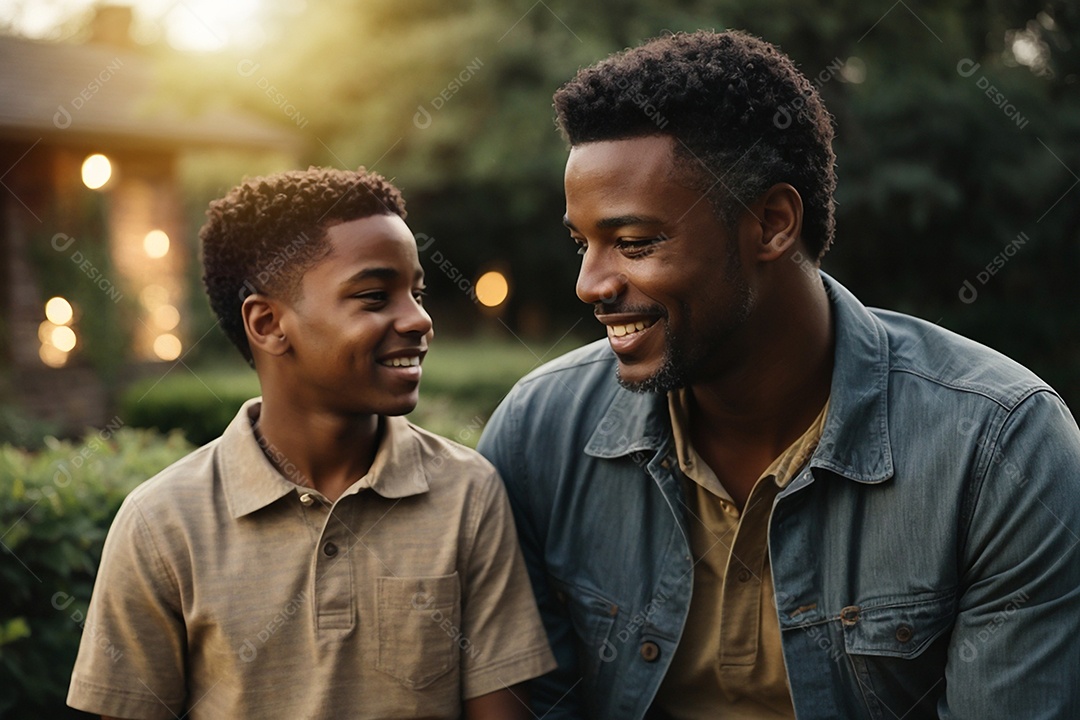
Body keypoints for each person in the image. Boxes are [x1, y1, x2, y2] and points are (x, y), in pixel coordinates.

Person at [477, 30, 1080, 719]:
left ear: (771, 223)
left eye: (635, 243)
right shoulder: (538, 433)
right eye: (583, 244)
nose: (588, 284)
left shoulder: (1001, 448)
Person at [67, 167, 555, 719]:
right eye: (374, 297)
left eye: (417, 293)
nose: (419, 319)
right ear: (269, 323)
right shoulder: (162, 525)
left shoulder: (467, 495)